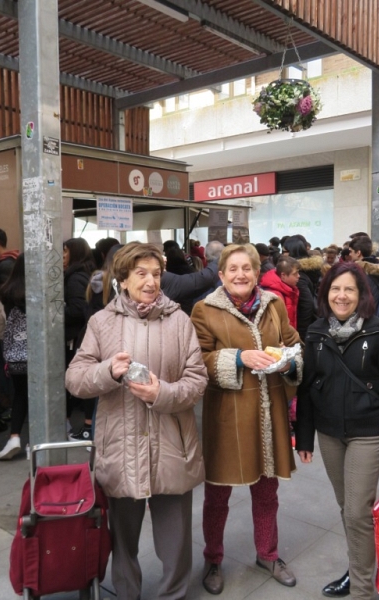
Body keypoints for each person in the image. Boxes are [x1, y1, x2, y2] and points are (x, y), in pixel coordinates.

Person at [65, 242, 207, 600]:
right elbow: (75, 379)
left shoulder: (179, 320)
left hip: (173, 445)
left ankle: (172, 596)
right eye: (141, 273)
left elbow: (197, 380)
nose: (151, 281)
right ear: (123, 279)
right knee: (122, 541)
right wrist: (107, 372)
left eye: (156, 274)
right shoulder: (101, 323)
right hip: (120, 447)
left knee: (175, 544)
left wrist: (163, 394)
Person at [296, 261, 379, 600]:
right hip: (330, 432)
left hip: (370, 431)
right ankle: (359, 566)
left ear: (361, 294)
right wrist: (304, 437)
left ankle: (362, 589)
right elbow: (308, 388)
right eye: (335, 289)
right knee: (348, 508)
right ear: (326, 293)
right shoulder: (316, 332)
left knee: (359, 510)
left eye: (349, 289)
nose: (341, 296)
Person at [191, 243, 302, 594]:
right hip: (226, 415)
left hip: (269, 410)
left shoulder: (274, 304)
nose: (241, 274)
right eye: (233, 269)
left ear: (257, 272)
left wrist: (289, 361)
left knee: (267, 490)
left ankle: (267, 553)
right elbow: (198, 361)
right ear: (221, 275)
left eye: (247, 268)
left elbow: (292, 342)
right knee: (217, 494)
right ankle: (213, 558)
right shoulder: (204, 310)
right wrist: (238, 358)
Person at [63, 237, 96, 439]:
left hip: (76, 337)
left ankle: (85, 428)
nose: (63, 256)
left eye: (65, 252)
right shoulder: (86, 273)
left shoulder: (75, 278)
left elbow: (78, 309)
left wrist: (57, 311)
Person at [0, 254, 29, 460]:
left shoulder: (6, 292)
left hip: (17, 355)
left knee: (20, 394)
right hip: (40, 354)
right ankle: (37, 443)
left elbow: (0, 325)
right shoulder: (41, 290)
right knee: (41, 396)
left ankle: (14, 437)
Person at [259, 255, 300, 329]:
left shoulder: (289, 290)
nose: (298, 276)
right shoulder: (275, 295)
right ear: (283, 275)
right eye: (295, 274)